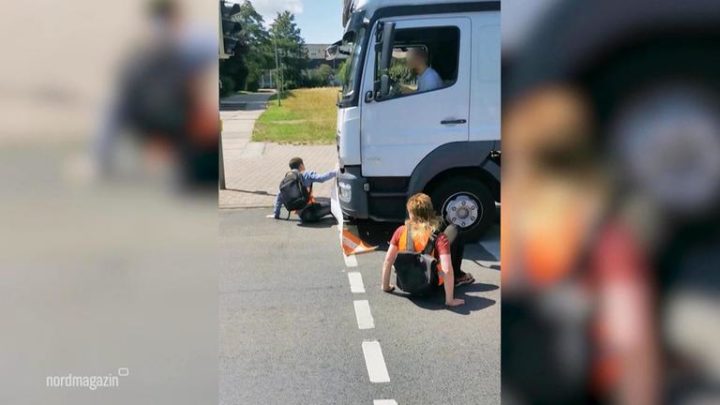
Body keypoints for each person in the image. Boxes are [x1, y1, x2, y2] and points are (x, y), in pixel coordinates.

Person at [381, 193, 475, 307]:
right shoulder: (439, 238)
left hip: (406, 283)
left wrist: (385, 286)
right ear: (430, 212)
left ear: (411, 214)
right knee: (454, 229)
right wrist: (450, 300)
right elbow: (447, 269)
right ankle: (458, 277)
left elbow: (388, 261)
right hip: (431, 286)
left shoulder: (401, 231)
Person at [270, 157, 337, 222]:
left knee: (324, 200)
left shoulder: (286, 180)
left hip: (302, 215)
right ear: (301, 165)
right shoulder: (306, 175)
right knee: (334, 203)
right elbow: (322, 178)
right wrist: (336, 171)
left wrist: (276, 214)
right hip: (311, 213)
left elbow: (279, 197)